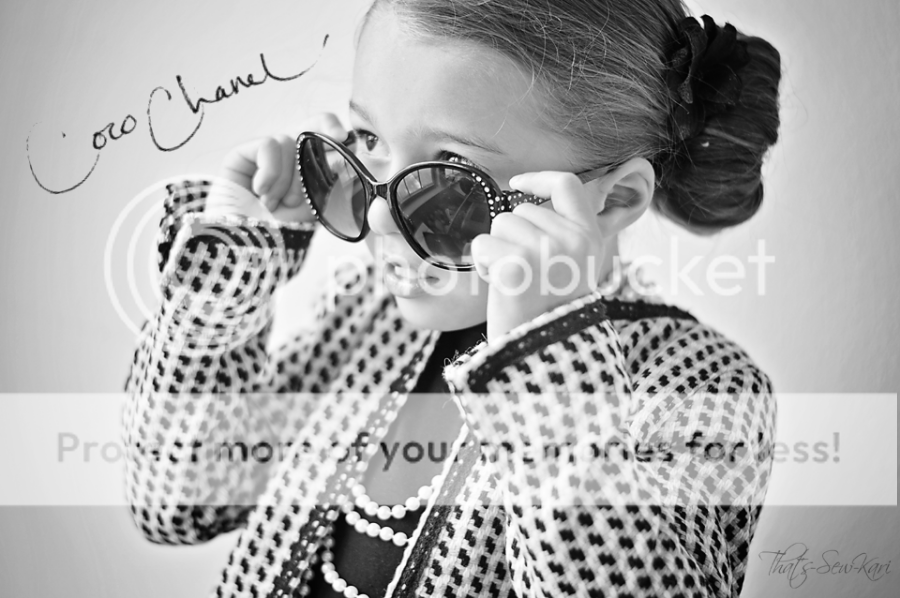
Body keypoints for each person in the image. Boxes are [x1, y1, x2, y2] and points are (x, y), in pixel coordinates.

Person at [122, 1, 781, 596]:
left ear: (614, 200)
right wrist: (230, 272)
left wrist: (547, 368)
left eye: (453, 173)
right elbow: (179, 505)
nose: (378, 216)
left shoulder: (701, 386)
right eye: (368, 141)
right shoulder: (366, 320)